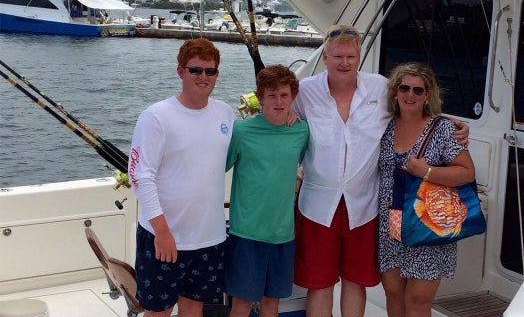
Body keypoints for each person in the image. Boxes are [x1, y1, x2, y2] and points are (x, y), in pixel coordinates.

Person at [291, 24, 469, 316]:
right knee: (319, 284)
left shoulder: (380, 87)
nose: (344, 62)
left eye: (350, 56)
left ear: (359, 56)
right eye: (337, 56)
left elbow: (414, 106)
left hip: (365, 206)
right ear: (325, 57)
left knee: (355, 282)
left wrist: (453, 124)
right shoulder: (305, 92)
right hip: (317, 206)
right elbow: (279, 116)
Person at [128, 38, 235, 317]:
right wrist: (162, 232)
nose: (203, 77)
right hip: (165, 237)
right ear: (180, 72)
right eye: (195, 70)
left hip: (209, 239)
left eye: (209, 71)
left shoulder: (226, 113)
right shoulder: (156, 117)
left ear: (217, 74)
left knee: (193, 309)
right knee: (158, 312)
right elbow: (140, 176)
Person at [377, 62, 476, 316]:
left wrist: (427, 172)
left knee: (418, 300)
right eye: (405, 88)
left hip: (428, 225)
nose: (410, 95)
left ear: (427, 95)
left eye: (418, 91)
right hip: (391, 227)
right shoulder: (383, 124)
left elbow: (467, 172)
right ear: (395, 91)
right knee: (393, 293)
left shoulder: (442, 130)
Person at [224, 64, 309, 317]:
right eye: (271, 95)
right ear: (260, 98)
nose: (278, 101)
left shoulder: (301, 130)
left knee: (273, 303)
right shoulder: (241, 131)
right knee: (242, 303)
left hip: (283, 235)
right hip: (247, 234)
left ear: (293, 98)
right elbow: (216, 168)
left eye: (284, 95)